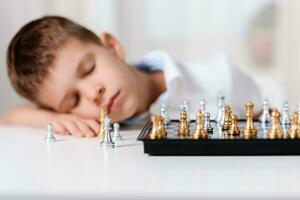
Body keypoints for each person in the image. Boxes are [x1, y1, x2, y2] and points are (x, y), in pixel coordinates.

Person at [0, 16, 280, 137]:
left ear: (112, 46)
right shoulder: (89, 119)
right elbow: (9, 117)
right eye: (72, 100)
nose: (91, 94)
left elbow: (265, 113)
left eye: (88, 70)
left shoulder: (218, 77)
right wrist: (52, 119)